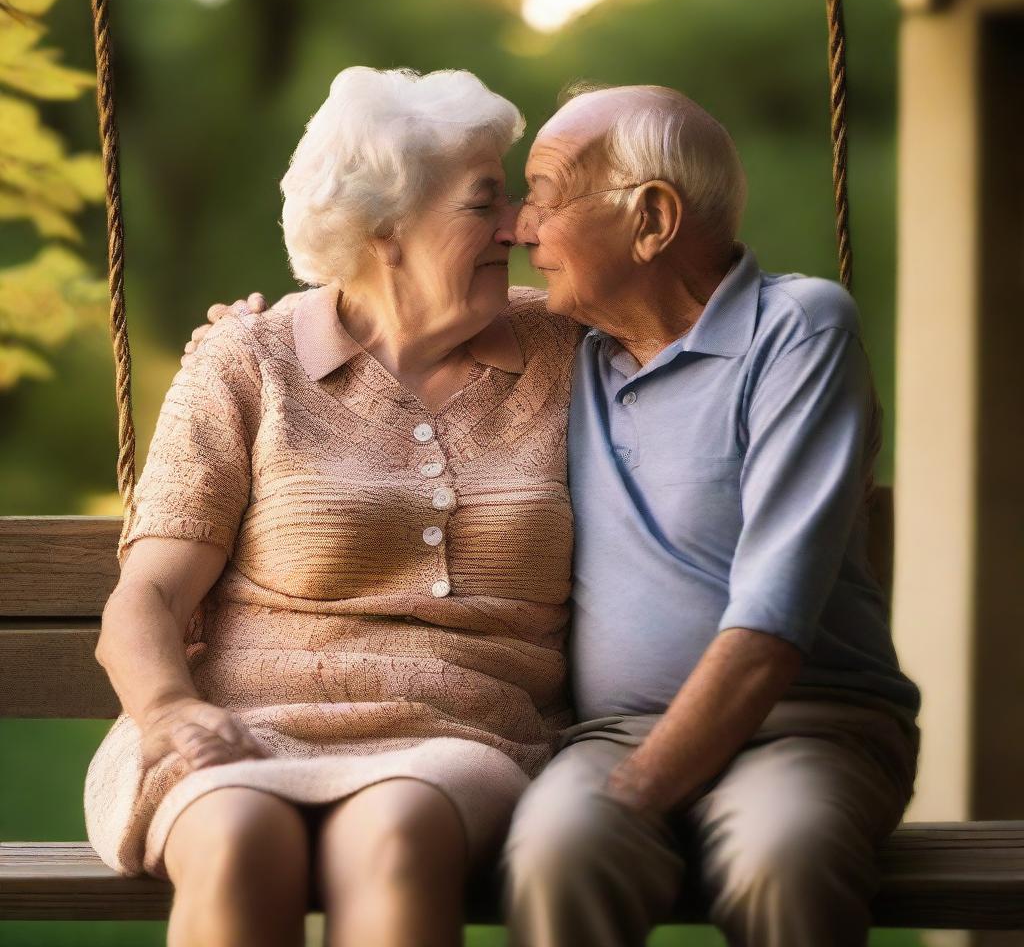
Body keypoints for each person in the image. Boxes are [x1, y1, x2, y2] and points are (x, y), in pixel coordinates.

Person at [192, 80, 922, 947]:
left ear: (651, 222)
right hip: (610, 734)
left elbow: (770, 623)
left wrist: (637, 794)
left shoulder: (794, 332)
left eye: (541, 195)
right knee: (556, 852)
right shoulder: (572, 347)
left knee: (783, 854)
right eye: (508, 199)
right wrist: (248, 336)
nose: (522, 227)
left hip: (801, 722)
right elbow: (391, 318)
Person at [84, 66, 581, 947]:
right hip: (230, 725)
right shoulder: (250, 359)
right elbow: (147, 597)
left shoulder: (569, 349)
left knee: (397, 832)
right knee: (237, 838)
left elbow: (701, 332)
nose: (519, 225)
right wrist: (169, 712)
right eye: (484, 203)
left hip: (460, 735)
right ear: (384, 229)